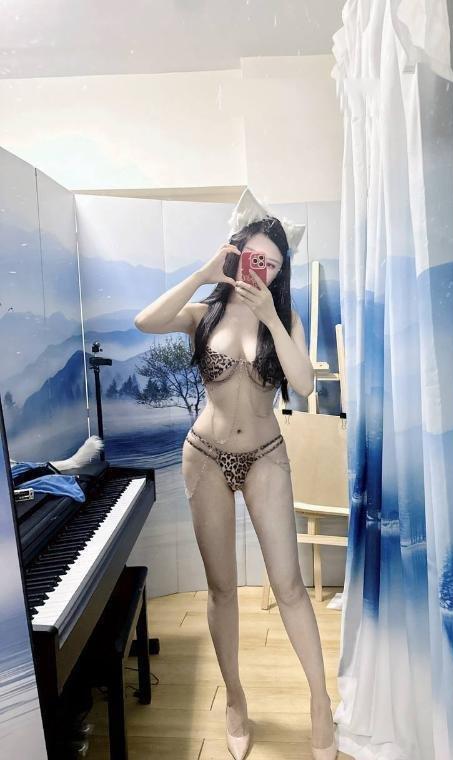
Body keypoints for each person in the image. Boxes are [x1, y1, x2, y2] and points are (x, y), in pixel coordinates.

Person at [134, 212, 338, 760]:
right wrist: (205, 272)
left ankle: (320, 703)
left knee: (289, 585)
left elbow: (303, 383)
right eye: (254, 257)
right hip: (204, 456)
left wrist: (271, 317)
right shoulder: (205, 313)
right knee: (221, 587)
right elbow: (145, 321)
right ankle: (235, 700)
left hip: (266, 457)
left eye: (272, 263)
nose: (261, 269)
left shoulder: (285, 317)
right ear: (236, 253)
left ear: (280, 270)